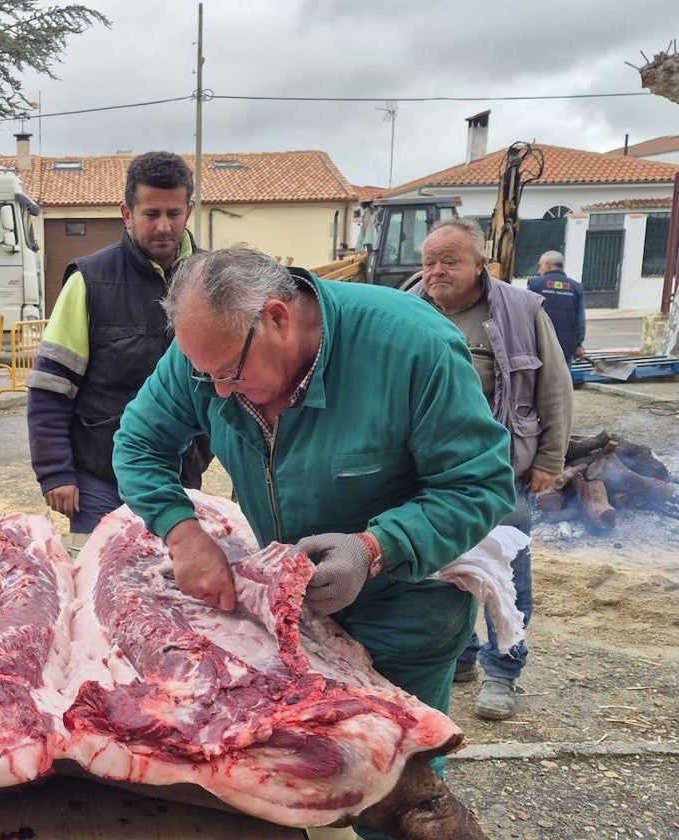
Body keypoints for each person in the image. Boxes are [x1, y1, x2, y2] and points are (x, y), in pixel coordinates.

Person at [113, 246, 514, 840]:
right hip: (294, 604)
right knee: (301, 774)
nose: (219, 394)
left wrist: (375, 548)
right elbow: (139, 443)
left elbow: (477, 484)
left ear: (277, 317)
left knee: (390, 783)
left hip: (406, 602)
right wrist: (181, 530)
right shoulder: (208, 354)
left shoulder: (411, 345)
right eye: (206, 377)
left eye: (230, 374)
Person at [410, 219, 573, 721]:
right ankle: (458, 655)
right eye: (429, 260)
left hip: (499, 470)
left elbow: (555, 386)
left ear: (481, 264)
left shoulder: (521, 311)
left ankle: (503, 670)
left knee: (504, 572)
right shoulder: (407, 308)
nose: (435, 271)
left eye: (449, 261)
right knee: (439, 570)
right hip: (429, 473)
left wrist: (549, 458)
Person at [27, 151, 211, 541]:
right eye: (151, 214)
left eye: (174, 213)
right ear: (126, 213)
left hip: (182, 476)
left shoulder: (214, 281)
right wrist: (55, 472)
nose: (164, 226)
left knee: (175, 592)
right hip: (100, 479)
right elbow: (50, 387)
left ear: (189, 211)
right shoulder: (89, 280)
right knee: (105, 590)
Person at [527, 250, 586, 367]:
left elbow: (527, 314)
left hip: (540, 344)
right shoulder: (576, 287)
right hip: (566, 346)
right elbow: (580, 319)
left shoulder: (535, 284)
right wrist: (578, 344)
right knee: (564, 381)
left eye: (541, 266)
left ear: (548, 265)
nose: (539, 270)